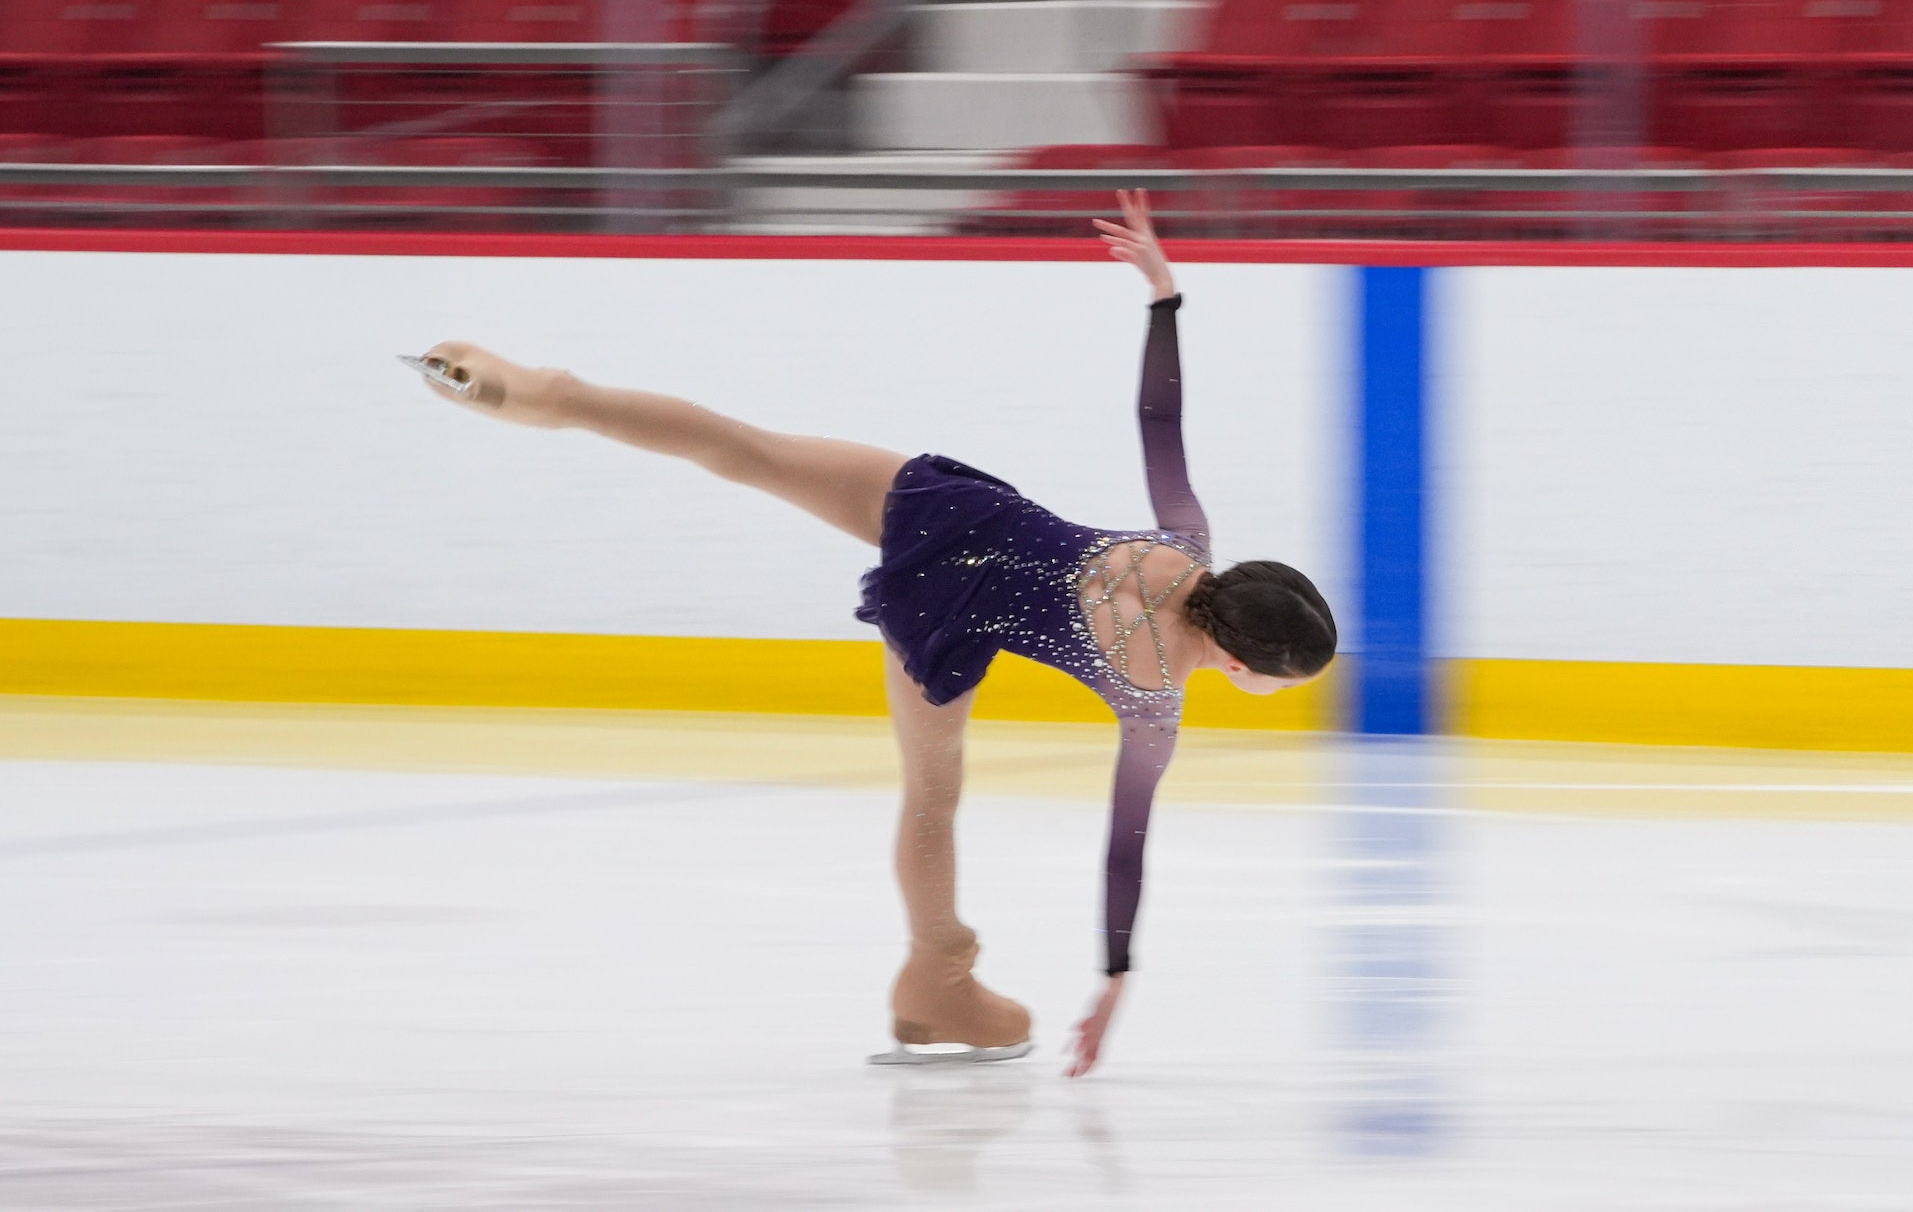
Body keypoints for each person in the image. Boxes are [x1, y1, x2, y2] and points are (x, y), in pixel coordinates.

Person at [415, 190, 1337, 1077]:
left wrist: (1164, 294)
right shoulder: (1152, 703)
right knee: (933, 798)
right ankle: (936, 975)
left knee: (747, 448)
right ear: (1237, 657)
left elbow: (1159, 421)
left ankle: (548, 393)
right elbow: (1123, 850)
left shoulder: (1187, 541)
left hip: (957, 513)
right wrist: (1114, 979)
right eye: (1285, 680)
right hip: (947, 614)